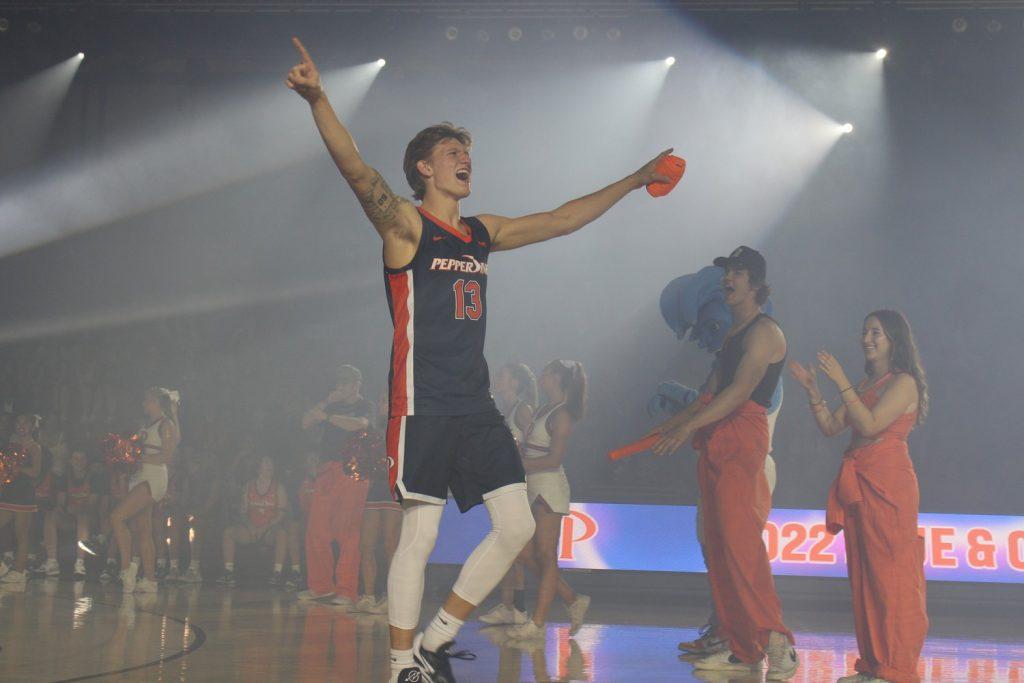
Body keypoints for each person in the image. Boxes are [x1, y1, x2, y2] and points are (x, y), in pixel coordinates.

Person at [287, 36, 671, 683]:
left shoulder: (482, 231)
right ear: (424, 171)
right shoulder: (406, 228)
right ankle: (400, 665)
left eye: (467, 151)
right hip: (422, 403)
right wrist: (321, 99)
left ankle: (437, 638)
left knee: (517, 524)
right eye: (451, 152)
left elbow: (560, 219)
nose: (465, 158)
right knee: (421, 536)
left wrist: (635, 180)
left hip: (475, 404)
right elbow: (356, 170)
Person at [651, 247, 798, 679]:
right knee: (719, 549)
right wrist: (675, 423)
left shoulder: (766, 333)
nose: (726, 280)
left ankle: (778, 642)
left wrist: (685, 429)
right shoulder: (733, 337)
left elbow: (738, 393)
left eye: (736, 273)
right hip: (717, 439)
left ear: (755, 284)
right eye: (726, 273)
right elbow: (709, 394)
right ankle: (744, 648)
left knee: (740, 549)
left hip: (742, 439)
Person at [790, 310, 929, 683]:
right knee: (864, 577)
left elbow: (869, 425)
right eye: (864, 331)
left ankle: (896, 668)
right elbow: (833, 426)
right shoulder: (869, 383)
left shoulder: (904, 383)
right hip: (860, 480)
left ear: (894, 339)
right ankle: (872, 665)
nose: (866, 338)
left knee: (891, 577)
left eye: (876, 332)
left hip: (889, 483)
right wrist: (815, 392)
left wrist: (840, 382)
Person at [506, 360, 591, 640]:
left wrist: (519, 466)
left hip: (549, 489)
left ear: (557, 378)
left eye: (545, 372)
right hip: (531, 485)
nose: (540, 376)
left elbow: (554, 459)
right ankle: (571, 597)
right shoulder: (543, 409)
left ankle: (537, 623)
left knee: (545, 554)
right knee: (522, 551)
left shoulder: (562, 414)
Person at [298, 364, 375, 606]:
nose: (340, 386)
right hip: (327, 470)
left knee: (348, 531)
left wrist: (329, 417)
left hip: (353, 470)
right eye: (338, 382)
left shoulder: (366, 405)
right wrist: (324, 402)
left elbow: (361, 424)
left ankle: (346, 590)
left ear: (356, 384)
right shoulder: (330, 404)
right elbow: (305, 423)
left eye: (345, 382)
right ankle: (321, 587)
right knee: (316, 530)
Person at [479, 363, 537, 627]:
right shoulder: (506, 410)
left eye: (502, 375)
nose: (497, 380)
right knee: (506, 547)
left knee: (515, 548)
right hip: (504, 484)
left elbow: (535, 446)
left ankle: (519, 609)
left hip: (519, 485)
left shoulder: (522, 410)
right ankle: (508, 604)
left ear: (515, 382)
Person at [110, 387, 181, 593]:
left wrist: (138, 458)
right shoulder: (146, 424)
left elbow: (167, 457)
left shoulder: (165, 424)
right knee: (143, 530)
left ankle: (127, 569)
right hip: (139, 476)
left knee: (116, 517)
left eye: (147, 400)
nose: (143, 403)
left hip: (153, 477)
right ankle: (150, 580)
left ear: (157, 403)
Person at [219, 455, 290, 586]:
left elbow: (281, 514)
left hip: (269, 530)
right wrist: (250, 526)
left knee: (282, 534)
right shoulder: (249, 486)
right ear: (258, 468)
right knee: (229, 532)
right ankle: (228, 572)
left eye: (271, 463)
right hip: (251, 529)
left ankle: (277, 573)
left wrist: (266, 526)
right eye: (266, 463)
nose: (270, 466)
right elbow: (243, 511)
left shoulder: (279, 487)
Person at [0, 414, 45, 586]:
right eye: (18, 422)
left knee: (21, 533)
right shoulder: (11, 443)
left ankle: (19, 571)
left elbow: (36, 472)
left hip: (23, 495)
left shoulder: (35, 447)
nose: (21, 426)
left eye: (25, 423)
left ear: (32, 427)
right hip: (8, 493)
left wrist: (18, 467)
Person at [44, 447, 102, 579]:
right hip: (70, 517)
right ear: (70, 461)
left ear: (87, 461)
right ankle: (51, 562)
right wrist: (62, 509)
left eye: (82, 459)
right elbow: (60, 503)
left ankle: (80, 564)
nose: (79, 462)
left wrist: (76, 510)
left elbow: (92, 506)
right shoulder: (65, 477)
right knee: (51, 516)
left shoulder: (94, 478)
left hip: (89, 520)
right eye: (76, 458)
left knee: (82, 518)